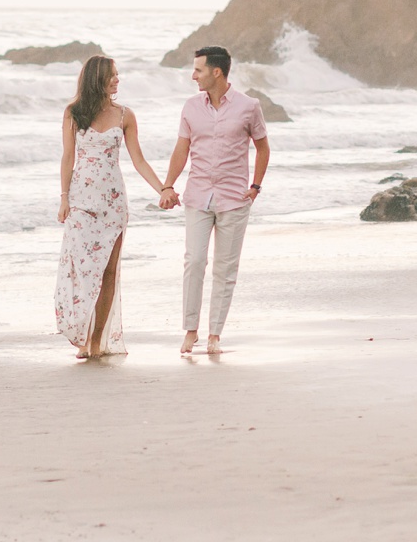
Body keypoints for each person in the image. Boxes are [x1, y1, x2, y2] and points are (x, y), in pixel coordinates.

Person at [54, 55, 167, 360]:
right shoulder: (74, 112)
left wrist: (163, 189)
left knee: (108, 271)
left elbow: (139, 160)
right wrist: (64, 198)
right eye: (112, 76)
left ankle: (95, 339)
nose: (118, 80)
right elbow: (68, 158)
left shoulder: (124, 115)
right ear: (97, 79)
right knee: (81, 268)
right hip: (80, 201)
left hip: (113, 202)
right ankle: (79, 331)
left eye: (118, 75)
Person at [159, 45, 270, 356]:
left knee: (225, 268)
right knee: (194, 261)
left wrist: (255, 186)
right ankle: (190, 330)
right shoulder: (191, 107)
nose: (193, 76)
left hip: (234, 198)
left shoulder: (249, 106)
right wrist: (168, 185)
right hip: (197, 195)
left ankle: (215, 335)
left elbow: (262, 147)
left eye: (199, 70)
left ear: (216, 72)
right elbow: (181, 150)